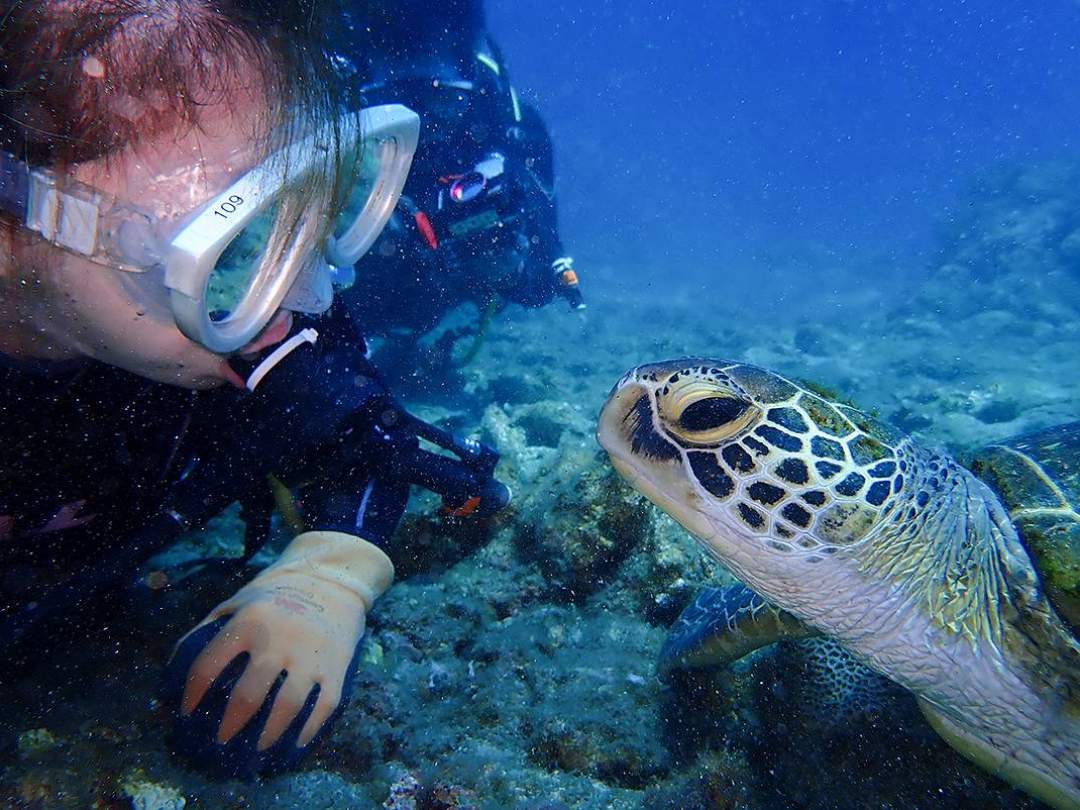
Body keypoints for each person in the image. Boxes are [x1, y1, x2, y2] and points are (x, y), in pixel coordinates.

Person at [0, 0, 508, 777]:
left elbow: (363, 436)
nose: (301, 302)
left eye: (312, 214)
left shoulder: (250, 326)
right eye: (230, 247)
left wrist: (332, 569)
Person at [334, 0, 585, 345]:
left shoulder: (511, 127)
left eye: (441, 100)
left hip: (450, 295)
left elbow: (543, 282)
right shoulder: (327, 124)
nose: (420, 127)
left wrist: (507, 268)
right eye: (396, 101)